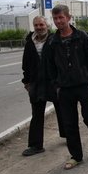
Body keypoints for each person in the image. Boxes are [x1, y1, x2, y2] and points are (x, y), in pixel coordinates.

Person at [46, 4, 88, 170]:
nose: (58, 21)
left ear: (68, 17)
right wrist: (56, 85)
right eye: (55, 18)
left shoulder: (81, 36)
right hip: (64, 89)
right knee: (69, 124)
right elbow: (49, 66)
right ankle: (76, 156)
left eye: (61, 17)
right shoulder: (52, 41)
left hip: (83, 86)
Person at [21, 16, 65, 156]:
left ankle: (69, 137)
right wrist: (26, 82)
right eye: (36, 25)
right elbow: (26, 64)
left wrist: (62, 81)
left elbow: (62, 61)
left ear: (47, 25)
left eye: (41, 24)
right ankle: (36, 145)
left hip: (54, 83)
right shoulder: (29, 42)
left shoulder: (54, 39)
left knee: (63, 111)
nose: (39, 27)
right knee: (37, 115)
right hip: (36, 84)